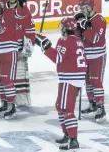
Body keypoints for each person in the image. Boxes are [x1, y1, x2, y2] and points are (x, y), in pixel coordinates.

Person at [35, 17, 85, 150]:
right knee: (59, 106)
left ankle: (73, 139)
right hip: (74, 78)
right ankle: (67, 134)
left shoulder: (64, 41)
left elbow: (57, 58)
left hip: (69, 78)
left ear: (65, 28)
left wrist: (44, 46)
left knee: (66, 109)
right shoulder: (78, 41)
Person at [76, 0, 107, 122]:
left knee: (96, 82)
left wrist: (85, 27)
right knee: (88, 82)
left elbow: (95, 39)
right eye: (81, 8)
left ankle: (101, 108)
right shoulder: (81, 19)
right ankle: (92, 104)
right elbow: (77, 37)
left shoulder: (100, 20)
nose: (83, 10)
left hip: (97, 55)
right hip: (85, 56)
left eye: (85, 7)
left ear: (91, 7)